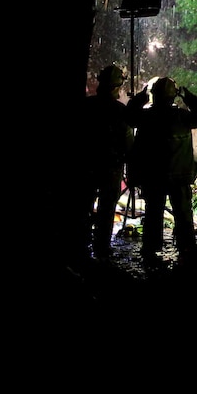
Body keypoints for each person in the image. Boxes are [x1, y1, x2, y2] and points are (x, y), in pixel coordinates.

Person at [126, 76, 197, 261]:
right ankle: (186, 250)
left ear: (153, 95)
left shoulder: (145, 118)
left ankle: (151, 251)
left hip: (153, 177)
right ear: (174, 96)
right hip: (179, 177)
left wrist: (141, 96)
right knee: (183, 215)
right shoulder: (182, 117)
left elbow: (129, 115)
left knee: (153, 214)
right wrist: (188, 96)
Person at [81, 64, 134, 259]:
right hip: (110, 167)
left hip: (86, 165)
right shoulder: (120, 111)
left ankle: (81, 244)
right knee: (106, 209)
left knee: (84, 206)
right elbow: (128, 143)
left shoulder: (86, 106)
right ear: (116, 87)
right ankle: (101, 247)